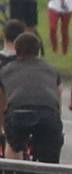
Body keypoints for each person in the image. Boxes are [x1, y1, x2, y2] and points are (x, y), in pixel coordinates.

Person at [0, 31, 64, 163]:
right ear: (38, 51)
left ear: (16, 51)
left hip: (17, 114)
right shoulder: (51, 70)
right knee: (50, 155)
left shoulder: (5, 71)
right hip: (48, 114)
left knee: (13, 145)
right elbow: (58, 98)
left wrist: (3, 127)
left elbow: (2, 102)